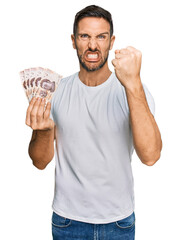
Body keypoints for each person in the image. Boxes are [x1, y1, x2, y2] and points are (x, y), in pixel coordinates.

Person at [26, 5, 162, 240]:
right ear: (73, 40)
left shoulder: (133, 90)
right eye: (85, 36)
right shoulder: (56, 92)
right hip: (67, 221)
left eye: (101, 37)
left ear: (112, 41)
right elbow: (39, 162)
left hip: (119, 222)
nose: (92, 45)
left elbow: (150, 156)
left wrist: (134, 83)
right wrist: (45, 131)